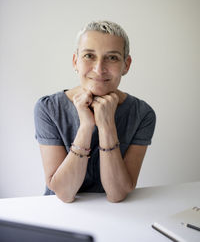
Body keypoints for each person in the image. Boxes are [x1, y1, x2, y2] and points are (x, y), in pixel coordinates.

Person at [34, 20, 156, 203]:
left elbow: (117, 194)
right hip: (59, 215)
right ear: (76, 61)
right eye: (89, 55)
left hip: (115, 215)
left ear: (126, 65)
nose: (99, 69)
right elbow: (64, 193)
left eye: (112, 57)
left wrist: (107, 127)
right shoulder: (48, 108)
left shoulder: (142, 114)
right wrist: (86, 126)